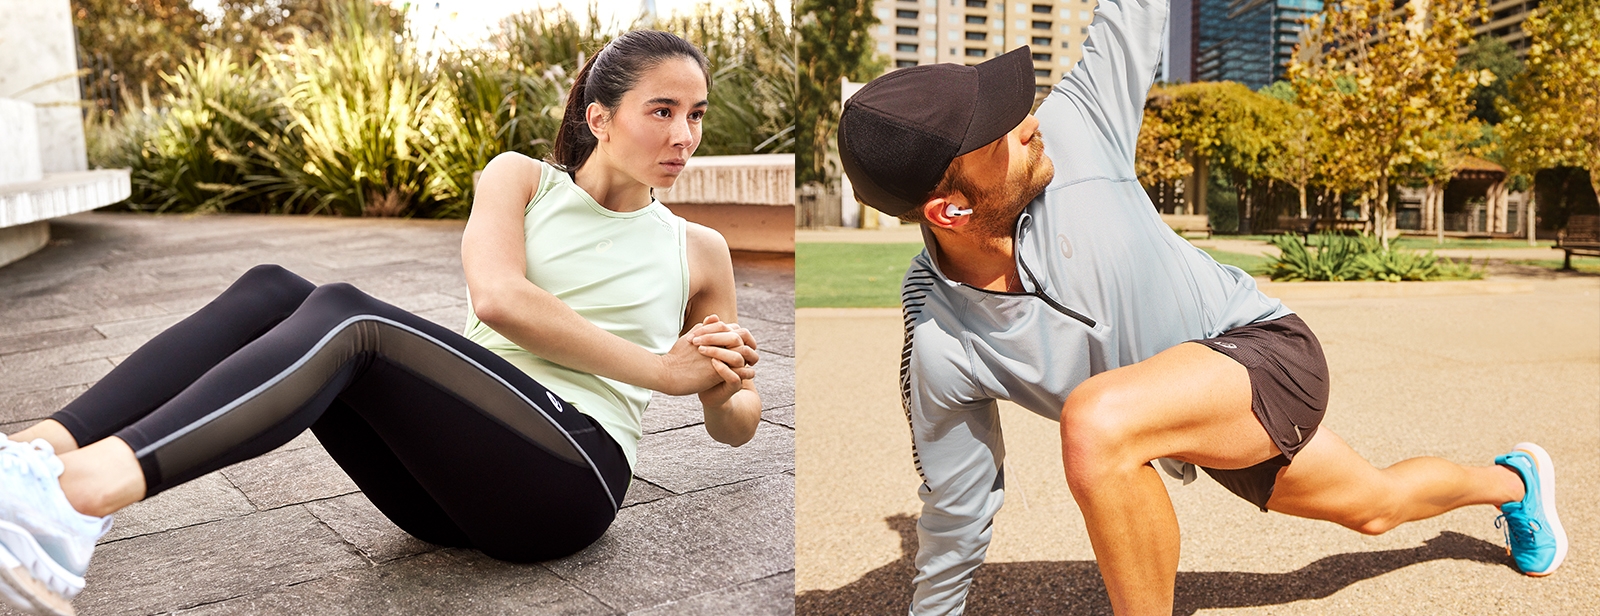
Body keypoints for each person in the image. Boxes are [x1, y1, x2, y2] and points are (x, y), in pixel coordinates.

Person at [0, 29, 764, 616]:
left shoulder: (698, 248)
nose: (683, 137)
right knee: (273, 288)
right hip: (441, 490)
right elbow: (500, 300)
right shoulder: (520, 181)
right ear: (600, 117)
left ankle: (74, 494)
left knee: (348, 318)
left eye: (694, 115)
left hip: (568, 483)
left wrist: (714, 387)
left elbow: (735, 425)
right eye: (660, 112)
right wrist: (659, 367)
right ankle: (32, 455)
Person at [835, 2, 1566, 614]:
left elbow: (1134, 11)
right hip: (1177, 423)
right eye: (998, 130)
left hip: (1259, 347)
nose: (1027, 122)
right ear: (950, 209)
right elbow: (956, 510)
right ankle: (1514, 482)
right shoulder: (940, 339)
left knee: (1096, 421)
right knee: (1373, 507)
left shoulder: (1079, 125)